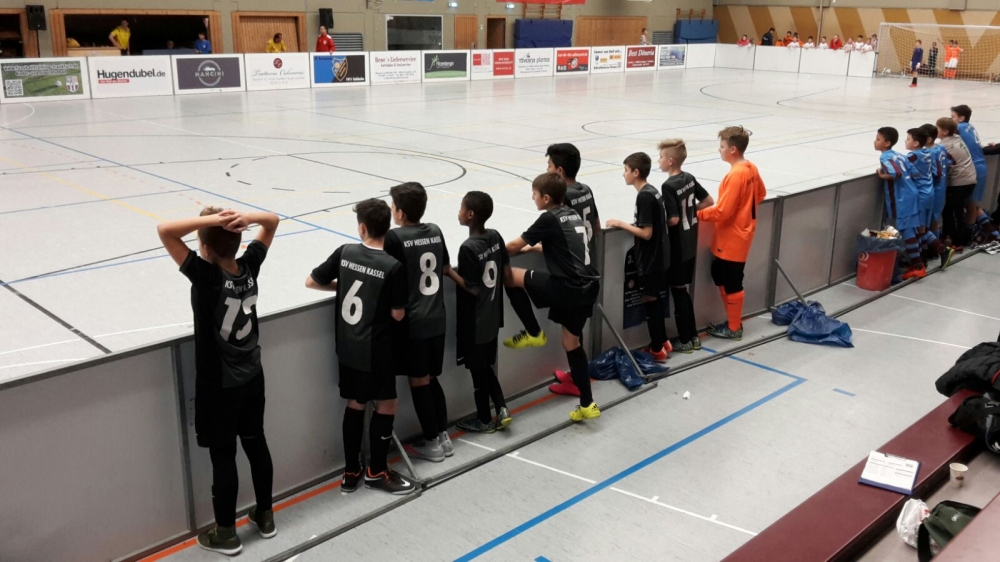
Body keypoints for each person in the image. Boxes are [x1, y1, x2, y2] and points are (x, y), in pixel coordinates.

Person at [157, 207, 280, 555]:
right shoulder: (249, 266)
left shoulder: (207, 276)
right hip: (253, 376)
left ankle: (226, 532)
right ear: (239, 242)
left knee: (223, 456)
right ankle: (265, 515)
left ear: (205, 247)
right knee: (256, 443)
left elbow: (165, 229)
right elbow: (272, 221)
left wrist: (212, 223)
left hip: (220, 386)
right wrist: (243, 220)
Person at [306, 199, 416, 496]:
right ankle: (376, 471)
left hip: (347, 346)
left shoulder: (345, 253)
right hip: (375, 349)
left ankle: (351, 471)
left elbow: (311, 281)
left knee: (355, 404)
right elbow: (398, 314)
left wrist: (342, 286)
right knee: (387, 404)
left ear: (362, 228)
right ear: (387, 228)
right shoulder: (392, 266)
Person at [504, 173, 601, 422]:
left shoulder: (548, 218)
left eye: (534, 194)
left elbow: (513, 247)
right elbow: (567, 245)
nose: (532, 198)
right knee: (571, 342)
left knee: (509, 276)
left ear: (546, 198)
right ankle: (587, 404)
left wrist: (489, 252)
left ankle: (533, 332)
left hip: (568, 287)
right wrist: (542, 247)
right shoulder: (572, 213)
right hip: (589, 286)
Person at [383, 182, 453, 463]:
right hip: (437, 318)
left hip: (414, 323)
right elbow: (445, 266)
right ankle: (443, 436)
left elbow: (389, 276)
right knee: (431, 378)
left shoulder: (394, 238)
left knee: (419, 382)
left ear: (399, 212)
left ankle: (432, 443)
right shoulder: (435, 230)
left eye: (392, 206)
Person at [448, 192, 513, 433]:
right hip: (493, 315)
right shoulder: (495, 236)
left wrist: (449, 272)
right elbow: (506, 272)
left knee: (478, 370)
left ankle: (485, 419)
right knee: (485, 366)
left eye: (461, 208)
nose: (458, 212)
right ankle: (501, 407)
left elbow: (473, 288)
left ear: (471, 214)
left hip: (475, 321)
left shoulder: (467, 248)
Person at [697, 127, 767, 340]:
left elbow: (722, 211)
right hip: (739, 235)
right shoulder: (751, 168)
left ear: (733, 149)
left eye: (722, 146)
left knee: (731, 280)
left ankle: (734, 327)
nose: (719, 150)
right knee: (720, 274)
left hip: (732, 239)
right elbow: (761, 194)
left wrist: (697, 214)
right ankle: (732, 322)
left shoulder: (736, 175)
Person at [605, 153, 671, 362]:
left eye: (625, 170)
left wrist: (621, 224)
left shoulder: (644, 196)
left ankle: (657, 348)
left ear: (635, 172)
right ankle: (663, 340)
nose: (623, 174)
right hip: (659, 256)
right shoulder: (652, 192)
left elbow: (647, 233)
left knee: (650, 300)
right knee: (655, 298)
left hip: (651, 259)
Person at [658, 139, 712, 353]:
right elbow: (708, 201)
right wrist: (690, 212)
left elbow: (673, 220)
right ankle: (693, 336)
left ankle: (685, 339)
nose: (659, 161)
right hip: (691, 243)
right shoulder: (689, 178)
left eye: (661, 157)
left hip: (677, 247)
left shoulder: (668, 186)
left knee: (678, 291)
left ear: (670, 161)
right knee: (682, 290)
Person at [875, 127, 924, 278]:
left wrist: (882, 175)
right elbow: (915, 172)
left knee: (907, 231)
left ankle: (918, 266)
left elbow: (896, 173)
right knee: (912, 229)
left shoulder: (885, 157)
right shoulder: (900, 155)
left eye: (878, 139)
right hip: (912, 193)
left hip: (902, 198)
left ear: (887, 143)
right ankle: (915, 261)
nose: (874, 142)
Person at [905, 127, 953, 271]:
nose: (905, 141)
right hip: (930, 192)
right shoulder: (927, 152)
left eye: (908, 139)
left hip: (921, 195)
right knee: (923, 227)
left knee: (919, 228)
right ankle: (924, 257)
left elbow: (900, 166)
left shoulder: (912, 156)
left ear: (916, 143)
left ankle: (940, 250)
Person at [951, 105, 999, 243]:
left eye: (953, 117)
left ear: (961, 118)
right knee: (970, 203)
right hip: (980, 166)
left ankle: (969, 235)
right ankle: (991, 231)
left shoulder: (958, 128)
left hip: (974, 168)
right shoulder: (970, 127)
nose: (951, 119)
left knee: (970, 205)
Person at [937, 117, 977, 249]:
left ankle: (957, 242)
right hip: (969, 179)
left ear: (945, 131)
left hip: (960, 182)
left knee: (954, 212)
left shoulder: (944, 146)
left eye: (938, 128)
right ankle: (952, 236)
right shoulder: (957, 138)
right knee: (953, 210)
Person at [920, 123, 949, 240]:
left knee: (931, 221)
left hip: (935, 189)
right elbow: (950, 162)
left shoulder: (930, 153)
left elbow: (936, 173)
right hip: (941, 187)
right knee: (933, 220)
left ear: (928, 139)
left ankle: (935, 246)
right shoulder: (941, 148)